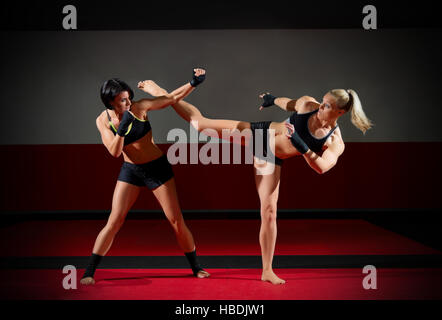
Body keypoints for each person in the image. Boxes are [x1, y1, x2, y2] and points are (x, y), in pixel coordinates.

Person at [139, 80, 373, 285]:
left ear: (340, 113)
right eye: (323, 101)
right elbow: (288, 103)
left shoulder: (335, 141)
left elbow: (321, 167)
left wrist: (300, 144)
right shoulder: (308, 105)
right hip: (261, 136)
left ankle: (267, 271)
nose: (321, 107)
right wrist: (273, 100)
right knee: (200, 125)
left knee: (269, 212)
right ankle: (162, 92)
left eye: (328, 106)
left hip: (271, 159)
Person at [80, 68, 210, 285]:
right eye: (122, 101)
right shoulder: (103, 121)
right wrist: (121, 130)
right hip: (131, 170)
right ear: (110, 102)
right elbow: (114, 151)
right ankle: (89, 272)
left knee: (176, 220)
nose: (128, 103)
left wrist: (194, 82)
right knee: (114, 220)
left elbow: (170, 99)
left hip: (156, 168)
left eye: (128, 98)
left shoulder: (139, 108)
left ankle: (196, 267)